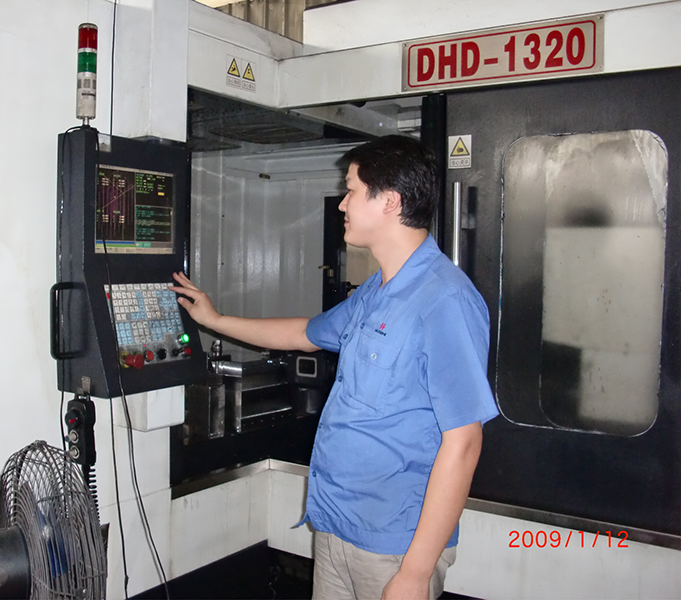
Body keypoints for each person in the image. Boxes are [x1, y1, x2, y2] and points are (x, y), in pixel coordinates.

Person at [169, 135, 499, 600]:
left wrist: (415, 572)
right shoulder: (375, 292)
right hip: (336, 526)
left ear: (389, 201)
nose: (342, 203)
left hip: (394, 546)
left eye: (351, 190)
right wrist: (216, 320)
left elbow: (463, 443)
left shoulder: (445, 300)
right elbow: (305, 332)